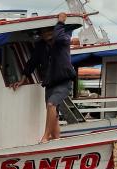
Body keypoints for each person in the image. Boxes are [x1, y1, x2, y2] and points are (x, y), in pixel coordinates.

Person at [11, 13, 76, 143]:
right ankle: (57, 140)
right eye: (44, 31)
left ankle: (45, 137)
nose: (47, 33)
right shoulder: (40, 46)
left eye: (49, 30)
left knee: (51, 104)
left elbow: (58, 36)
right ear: (41, 34)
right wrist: (23, 79)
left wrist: (60, 23)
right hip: (50, 83)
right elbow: (32, 63)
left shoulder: (63, 40)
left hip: (64, 81)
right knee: (53, 113)